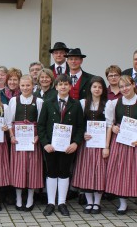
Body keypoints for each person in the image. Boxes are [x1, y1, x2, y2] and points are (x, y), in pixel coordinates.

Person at [37, 74, 84, 217]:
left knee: (64, 173)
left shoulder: (76, 105)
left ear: (70, 86)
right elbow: (41, 125)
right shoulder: (48, 103)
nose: (63, 87)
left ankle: (62, 202)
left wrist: (75, 143)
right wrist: (45, 143)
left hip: (67, 147)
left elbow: (80, 127)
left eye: (66, 84)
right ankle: (51, 203)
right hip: (51, 146)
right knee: (51, 172)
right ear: (56, 86)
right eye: (60, 84)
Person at [72, 77, 111, 215]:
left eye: (100, 87)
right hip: (87, 144)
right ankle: (89, 202)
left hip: (100, 145)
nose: (97, 89)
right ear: (90, 88)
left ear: (103, 89)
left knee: (99, 172)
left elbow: (109, 126)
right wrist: (83, 134)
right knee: (87, 172)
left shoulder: (108, 104)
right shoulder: (83, 103)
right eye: (94, 86)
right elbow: (78, 123)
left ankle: (97, 202)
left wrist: (106, 146)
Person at [8, 75, 44, 211]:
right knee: (19, 169)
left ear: (33, 86)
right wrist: (11, 136)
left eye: (28, 85)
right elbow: (9, 121)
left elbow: (41, 123)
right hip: (18, 139)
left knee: (32, 169)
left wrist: (38, 137)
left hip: (32, 139)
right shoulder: (14, 100)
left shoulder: (39, 101)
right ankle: (18, 198)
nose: (25, 88)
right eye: (22, 85)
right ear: (19, 86)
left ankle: (30, 198)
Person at [105, 75, 137, 215]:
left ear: (133, 84)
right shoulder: (114, 103)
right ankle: (123, 203)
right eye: (121, 86)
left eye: (127, 85)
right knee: (121, 172)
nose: (124, 89)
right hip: (121, 142)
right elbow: (109, 124)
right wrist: (113, 128)